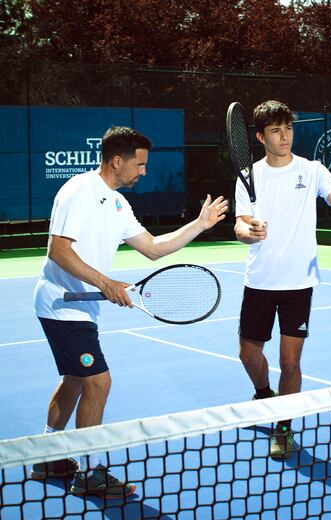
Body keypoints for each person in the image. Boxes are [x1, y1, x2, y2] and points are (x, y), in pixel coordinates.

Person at [31, 125, 228, 497]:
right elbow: (58, 250)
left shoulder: (119, 203)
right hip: (60, 304)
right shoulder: (79, 191)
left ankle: (47, 456)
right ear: (117, 161)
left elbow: (154, 247)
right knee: (98, 382)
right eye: (139, 164)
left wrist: (199, 225)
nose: (144, 171)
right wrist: (106, 283)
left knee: (75, 380)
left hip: (81, 308)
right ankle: (88, 472)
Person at [234, 100, 331, 460]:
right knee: (248, 354)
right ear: (260, 136)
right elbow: (240, 224)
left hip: (298, 283)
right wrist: (249, 232)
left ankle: (283, 427)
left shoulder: (313, 169)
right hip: (259, 281)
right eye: (275, 130)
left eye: (288, 128)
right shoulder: (249, 175)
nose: (285, 135)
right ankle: (263, 395)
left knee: (290, 363)